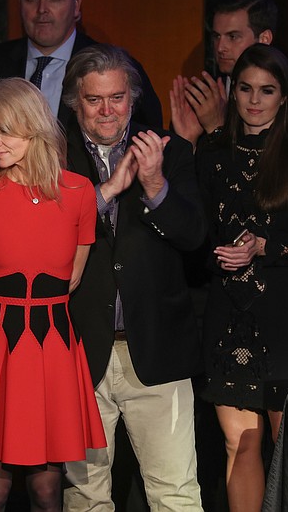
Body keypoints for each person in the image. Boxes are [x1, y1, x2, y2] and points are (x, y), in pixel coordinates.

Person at [59, 44, 206, 511]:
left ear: (133, 98)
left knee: (176, 492)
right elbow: (45, 246)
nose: (107, 111)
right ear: (74, 102)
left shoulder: (169, 150)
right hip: (79, 349)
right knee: (85, 495)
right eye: (94, 99)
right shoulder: (53, 157)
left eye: (117, 98)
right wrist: (106, 193)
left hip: (157, 348)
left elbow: (196, 237)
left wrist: (156, 185)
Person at [196, 43, 288, 512]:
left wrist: (265, 247)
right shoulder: (211, 155)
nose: (255, 100)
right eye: (246, 88)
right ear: (233, 93)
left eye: (267, 90)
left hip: (287, 316)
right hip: (228, 313)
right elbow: (196, 235)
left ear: (284, 98)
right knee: (241, 446)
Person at [0, 77, 105, 512]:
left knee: (46, 491)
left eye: (4, 129)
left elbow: (72, 279)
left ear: (33, 126)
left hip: (52, 350)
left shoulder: (80, 193)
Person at [0, 0, 162, 128]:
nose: (42, 10)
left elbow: (146, 136)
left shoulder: (117, 68)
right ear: (20, 4)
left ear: (76, 6)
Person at [170, 0, 288, 150]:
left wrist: (217, 129)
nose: (220, 47)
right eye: (216, 36)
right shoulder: (200, 99)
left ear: (264, 39)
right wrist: (188, 143)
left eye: (233, 37)